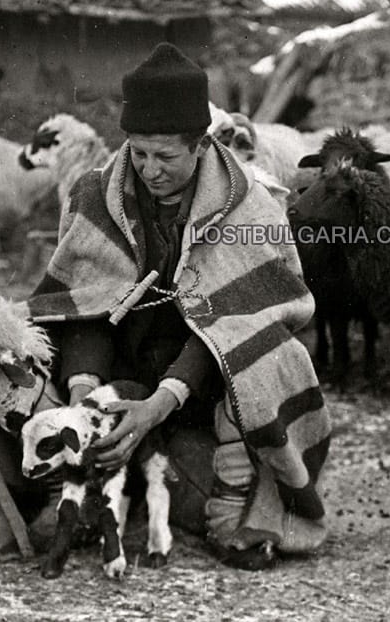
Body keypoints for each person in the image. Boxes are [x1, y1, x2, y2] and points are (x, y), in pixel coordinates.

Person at [26, 42, 330, 569]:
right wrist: (84, 395)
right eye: (139, 153)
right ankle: (71, 491)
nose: (149, 169)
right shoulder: (97, 195)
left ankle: (231, 510)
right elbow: (78, 308)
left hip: (202, 391)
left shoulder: (247, 206)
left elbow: (240, 326)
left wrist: (156, 408)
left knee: (268, 356)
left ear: (200, 146)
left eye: (165, 156)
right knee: (1, 349)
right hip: (115, 373)